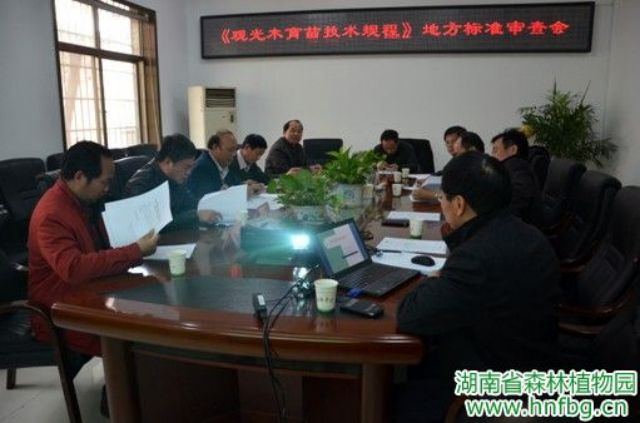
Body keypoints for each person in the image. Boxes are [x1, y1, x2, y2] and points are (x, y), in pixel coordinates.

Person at [395, 152, 560, 421]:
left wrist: (434, 277)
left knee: (390, 393)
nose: (442, 204)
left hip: (493, 387)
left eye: (443, 198)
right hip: (530, 362)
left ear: (459, 204)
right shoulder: (528, 234)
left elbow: (410, 315)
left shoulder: (476, 257)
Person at [28, 141, 159, 357]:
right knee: (137, 332)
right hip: (59, 307)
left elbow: (99, 245)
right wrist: (135, 250)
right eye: (104, 182)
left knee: (153, 290)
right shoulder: (51, 215)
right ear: (80, 177)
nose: (107, 189)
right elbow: (73, 268)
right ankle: (128, 378)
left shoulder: (82, 201)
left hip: (89, 289)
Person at [125, 133, 220, 231]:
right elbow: (155, 223)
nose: (189, 172)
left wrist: (211, 205)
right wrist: (196, 215)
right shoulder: (141, 184)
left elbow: (189, 203)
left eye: (191, 167)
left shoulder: (175, 178)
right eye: (186, 167)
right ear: (168, 162)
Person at [491, 128, 542, 225]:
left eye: (495, 151)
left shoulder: (517, 167)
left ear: (513, 150)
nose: (492, 156)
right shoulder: (515, 165)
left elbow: (519, 199)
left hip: (525, 227)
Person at [413, 131, 484, 202]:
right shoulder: (470, 165)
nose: (456, 159)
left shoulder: (479, 172)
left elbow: (462, 200)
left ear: (472, 150)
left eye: (459, 154)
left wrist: (433, 195)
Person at [187, 129, 244, 200]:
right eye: (230, 150)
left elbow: (234, 183)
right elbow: (211, 198)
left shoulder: (225, 164)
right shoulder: (201, 169)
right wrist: (242, 192)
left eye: (235, 150)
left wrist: (245, 186)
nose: (234, 154)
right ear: (215, 147)